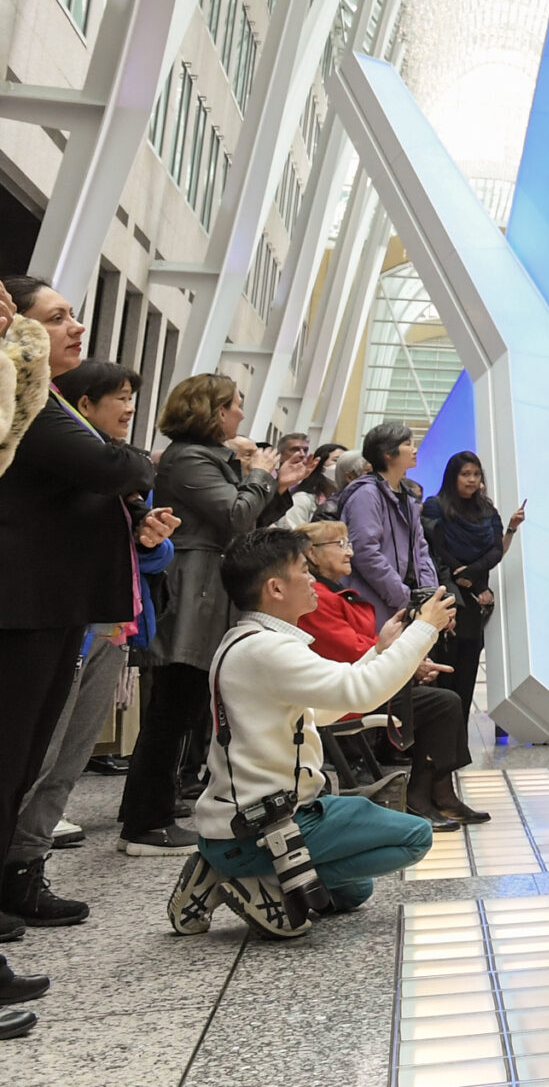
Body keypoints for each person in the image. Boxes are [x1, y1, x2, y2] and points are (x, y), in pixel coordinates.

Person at [165, 529, 455, 941]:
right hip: (263, 827)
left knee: (354, 891)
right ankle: (256, 880)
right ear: (275, 588)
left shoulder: (249, 641)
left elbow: (321, 711)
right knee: (415, 837)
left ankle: (225, 870)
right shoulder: (268, 650)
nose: (312, 580)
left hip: (240, 825)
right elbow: (361, 691)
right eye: (304, 570)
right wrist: (424, 629)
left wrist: (382, 650)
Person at [4, 361, 176, 933]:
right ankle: (14, 869)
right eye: (118, 398)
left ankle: (26, 869)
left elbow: (148, 554)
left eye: (131, 397)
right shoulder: (51, 437)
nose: (129, 408)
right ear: (81, 406)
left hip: (108, 626)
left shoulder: (108, 473)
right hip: (58, 620)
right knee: (35, 757)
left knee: (67, 757)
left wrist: (146, 532)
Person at [121, 373, 312, 855]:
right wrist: (261, 476)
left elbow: (248, 520)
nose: (241, 414)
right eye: (235, 405)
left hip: (207, 584)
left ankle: (148, 810)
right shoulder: (189, 457)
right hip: (194, 586)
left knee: (182, 705)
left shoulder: (205, 457)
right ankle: (146, 821)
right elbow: (236, 515)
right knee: (174, 705)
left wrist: (276, 488)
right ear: (213, 410)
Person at [295, 521, 485, 828]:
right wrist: (409, 662)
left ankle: (440, 793)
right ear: (311, 553)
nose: (350, 552)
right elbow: (351, 651)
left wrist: (409, 662)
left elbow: (369, 646)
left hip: (359, 680)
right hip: (343, 694)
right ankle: (423, 796)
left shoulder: (332, 591)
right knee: (443, 703)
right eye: (340, 545)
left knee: (444, 700)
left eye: (349, 543)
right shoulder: (317, 597)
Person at [420, 451, 522, 717]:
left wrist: (473, 573)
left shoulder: (487, 510)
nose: (472, 480)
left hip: (476, 600)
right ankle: (439, 734)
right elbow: (435, 548)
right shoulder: (435, 506)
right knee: (444, 672)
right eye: (465, 474)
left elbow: (496, 550)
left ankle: (459, 735)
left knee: (467, 673)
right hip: (447, 597)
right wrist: (458, 574)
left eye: (476, 474)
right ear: (453, 476)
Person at [337, 422, 437, 632]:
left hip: (407, 605)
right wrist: (404, 597)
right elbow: (365, 553)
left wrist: (429, 596)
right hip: (374, 604)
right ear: (388, 454)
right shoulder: (366, 494)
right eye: (407, 444)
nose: (414, 449)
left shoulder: (407, 497)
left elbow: (421, 549)